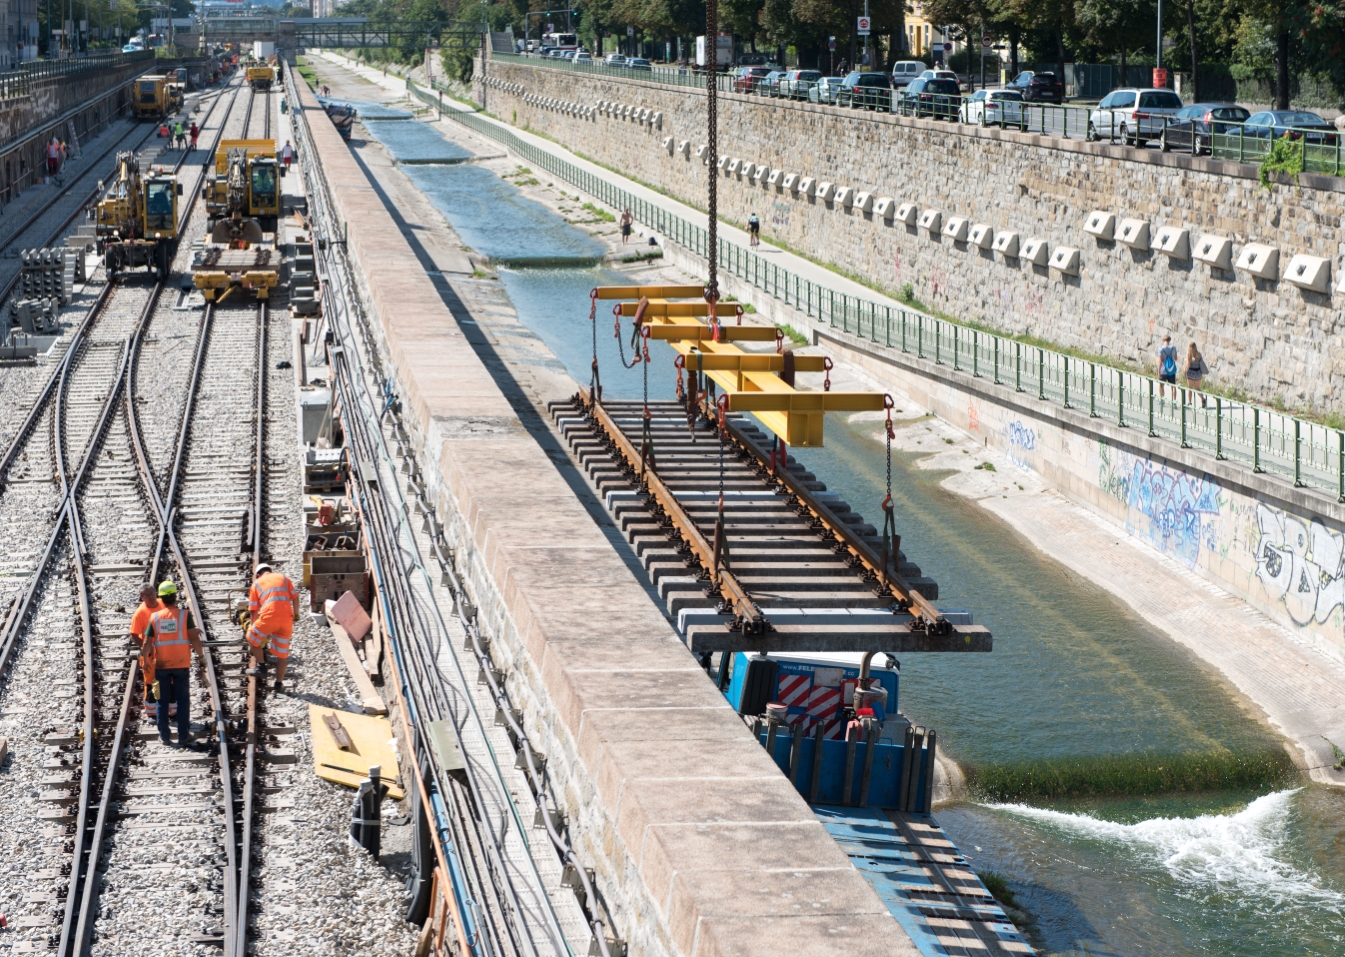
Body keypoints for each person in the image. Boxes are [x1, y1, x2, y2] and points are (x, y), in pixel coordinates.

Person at [142, 581, 203, 749]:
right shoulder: (185, 615)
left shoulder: (155, 617)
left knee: (161, 700)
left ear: (161, 598)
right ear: (175, 597)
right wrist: (201, 655)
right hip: (181, 664)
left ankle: (165, 737)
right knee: (182, 700)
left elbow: (147, 642)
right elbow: (194, 638)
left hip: (162, 665)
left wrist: (146, 660)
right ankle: (183, 736)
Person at [245, 563, 300, 692]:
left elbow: (253, 611)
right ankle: (278, 684)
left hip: (269, 617)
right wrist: (296, 615)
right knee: (282, 655)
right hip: (287, 619)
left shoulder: (256, 583)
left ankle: (261, 667)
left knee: (251, 637)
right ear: (270, 571)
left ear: (258, 575)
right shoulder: (284, 578)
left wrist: (254, 629)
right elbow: (295, 598)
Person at [129, 584, 163, 722]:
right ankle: (152, 713)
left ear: (156, 592)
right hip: (150, 653)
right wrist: (145, 649)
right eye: (146, 595)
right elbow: (134, 634)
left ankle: (172, 712)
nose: (151, 597)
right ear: (142, 598)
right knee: (150, 682)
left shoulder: (163, 604)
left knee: (170, 680)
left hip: (166, 651)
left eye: (152, 593)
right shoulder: (140, 613)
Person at [1185, 342, 1210, 407]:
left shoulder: (1189, 355)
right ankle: (1202, 398)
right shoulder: (1199, 354)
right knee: (1197, 388)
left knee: (1189, 388)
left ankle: (1189, 402)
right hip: (1198, 373)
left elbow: (1188, 365)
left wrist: (1185, 372)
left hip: (1191, 372)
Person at [1157, 335, 1178, 400]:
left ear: (1163, 340)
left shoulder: (1160, 349)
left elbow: (1160, 361)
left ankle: (1162, 400)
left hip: (1163, 370)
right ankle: (1174, 402)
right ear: (1169, 340)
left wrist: (1158, 372)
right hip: (1171, 370)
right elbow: (1176, 358)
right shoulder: (1173, 348)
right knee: (1173, 386)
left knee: (1161, 385)